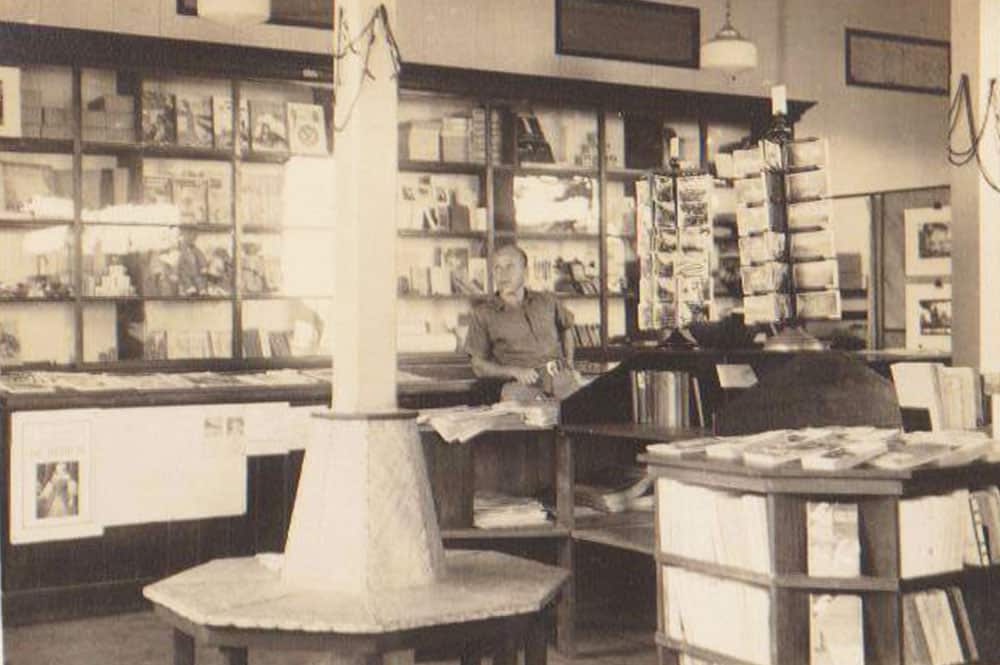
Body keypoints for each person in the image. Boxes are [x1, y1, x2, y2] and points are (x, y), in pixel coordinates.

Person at [465, 244, 579, 400]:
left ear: (526, 272)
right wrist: (514, 371)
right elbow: (478, 365)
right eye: (497, 268)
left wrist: (570, 362)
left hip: (561, 379)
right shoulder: (483, 314)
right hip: (520, 386)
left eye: (509, 267)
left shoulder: (548, 301)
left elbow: (566, 328)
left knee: (582, 414)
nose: (502, 274)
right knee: (534, 419)